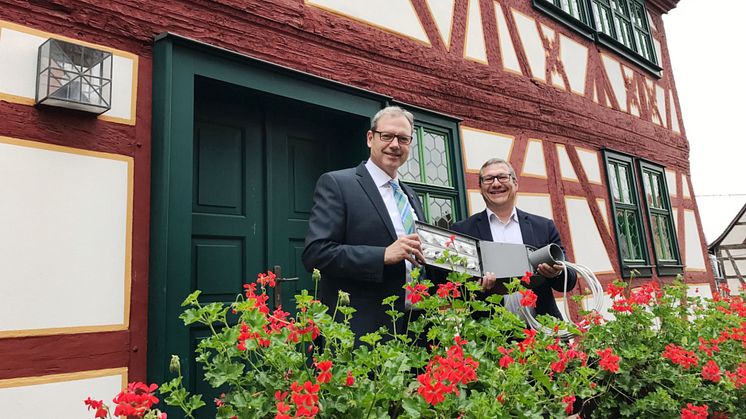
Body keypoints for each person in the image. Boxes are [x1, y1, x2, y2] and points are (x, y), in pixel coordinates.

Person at [302, 106, 426, 338]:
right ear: (371, 138)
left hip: (415, 328)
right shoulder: (338, 184)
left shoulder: (410, 195)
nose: (395, 144)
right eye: (386, 136)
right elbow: (316, 253)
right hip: (364, 330)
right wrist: (382, 256)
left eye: (403, 138)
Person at [451, 158, 577, 320]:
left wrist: (556, 273)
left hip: (544, 333)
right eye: (489, 179)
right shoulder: (462, 230)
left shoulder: (543, 226)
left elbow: (569, 280)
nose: (496, 184)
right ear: (480, 188)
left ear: (515, 183)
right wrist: (477, 287)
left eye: (502, 177)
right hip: (489, 336)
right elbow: (454, 288)